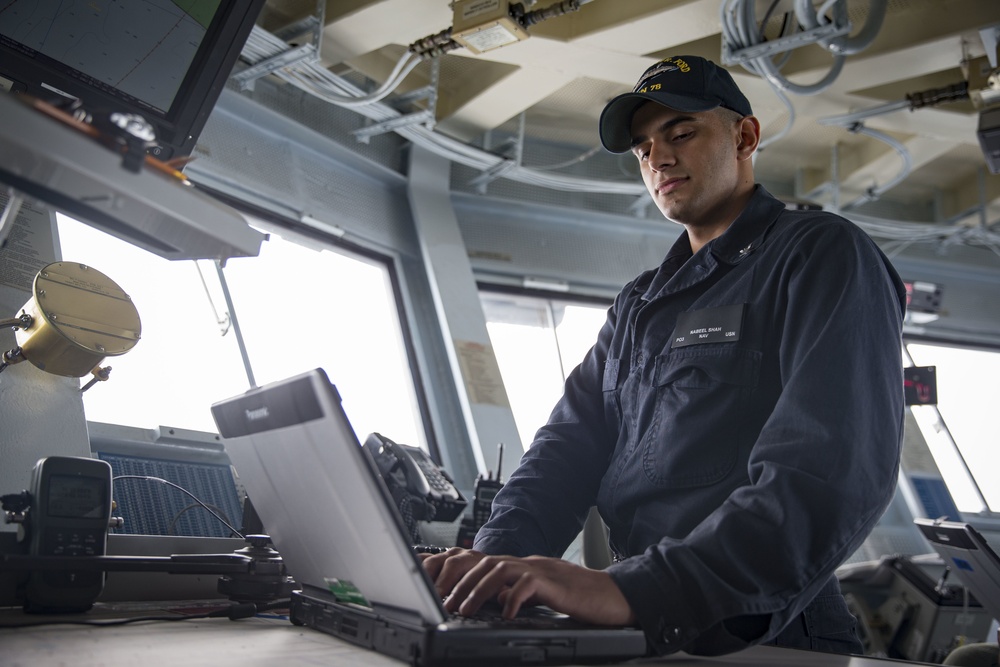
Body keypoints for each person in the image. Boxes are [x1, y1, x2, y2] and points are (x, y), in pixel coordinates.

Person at [422, 55, 906, 656]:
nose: (659, 158)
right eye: (643, 148)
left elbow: (827, 471)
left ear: (745, 136)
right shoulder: (638, 304)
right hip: (643, 616)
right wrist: (487, 566)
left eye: (681, 134)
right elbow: (565, 450)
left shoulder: (820, 256)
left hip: (762, 627)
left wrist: (642, 592)